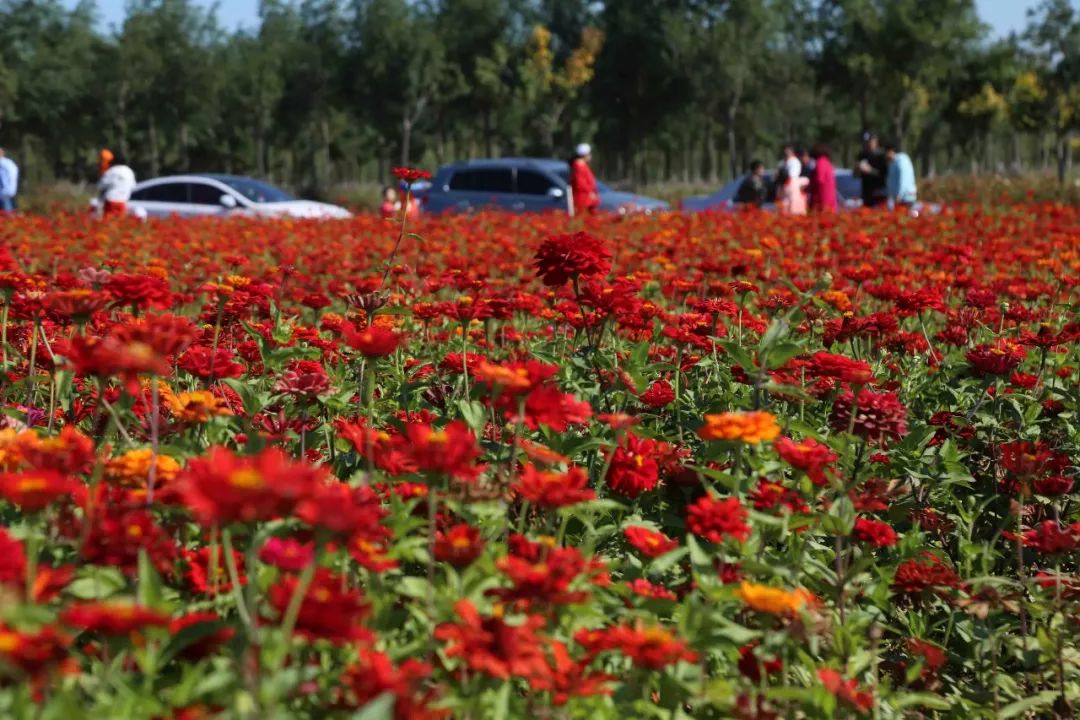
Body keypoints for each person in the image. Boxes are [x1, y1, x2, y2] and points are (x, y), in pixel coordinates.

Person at [854, 132, 887, 208]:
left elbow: (884, 175)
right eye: (866, 142)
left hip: (878, 193)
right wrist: (857, 169)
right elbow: (855, 176)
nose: (868, 144)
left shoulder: (881, 155)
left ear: (876, 142)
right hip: (866, 193)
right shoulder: (862, 155)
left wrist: (870, 171)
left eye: (870, 142)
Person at [97, 153, 136, 217]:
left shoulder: (112, 170)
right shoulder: (129, 171)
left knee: (108, 222)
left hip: (110, 201)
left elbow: (101, 185)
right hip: (123, 201)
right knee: (119, 222)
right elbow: (133, 186)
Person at [569, 143, 600, 216]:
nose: (590, 156)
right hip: (583, 199)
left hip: (587, 199)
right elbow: (580, 183)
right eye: (589, 154)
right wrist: (590, 192)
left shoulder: (582, 165)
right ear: (585, 155)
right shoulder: (579, 166)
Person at [885, 142, 917, 208]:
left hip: (906, 197)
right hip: (899, 198)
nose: (886, 156)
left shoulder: (902, 160)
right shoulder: (892, 163)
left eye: (886, 153)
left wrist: (899, 195)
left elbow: (904, 179)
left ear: (891, 151)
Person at [808, 144, 838, 212]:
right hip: (829, 199)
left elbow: (819, 180)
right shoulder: (827, 162)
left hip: (822, 199)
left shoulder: (820, 163)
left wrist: (809, 187)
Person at [0, 148, 19, 213]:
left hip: (4, 194)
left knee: (7, 216)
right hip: (9, 192)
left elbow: (10, 178)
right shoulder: (9, 163)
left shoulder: (4, 164)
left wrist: (6, 191)